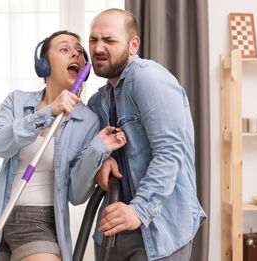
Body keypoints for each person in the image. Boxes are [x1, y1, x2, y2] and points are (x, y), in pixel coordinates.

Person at [0, 30, 127, 261]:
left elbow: (77, 195)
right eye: (64, 49)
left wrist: (97, 150)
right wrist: (47, 113)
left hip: (40, 224)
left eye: (80, 52)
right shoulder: (17, 102)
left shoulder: (88, 121)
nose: (76, 54)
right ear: (44, 65)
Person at [87, 9, 207, 261]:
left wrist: (139, 210)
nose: (98, 48)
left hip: (158, 229)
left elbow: (170, 151)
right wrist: (99, 162)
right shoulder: (97, 101)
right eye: (93, 40)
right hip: (113, 231)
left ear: (133, 45)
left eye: (109, 40)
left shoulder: (147, 78)